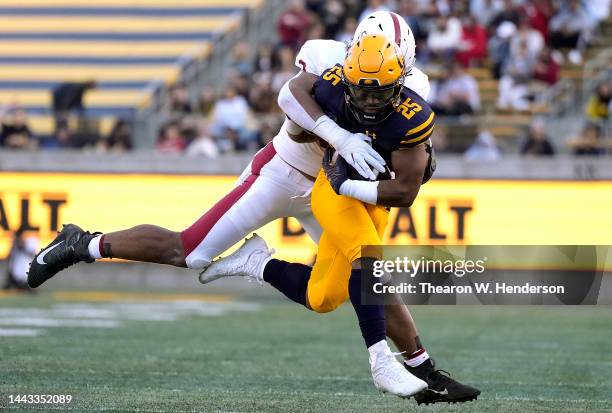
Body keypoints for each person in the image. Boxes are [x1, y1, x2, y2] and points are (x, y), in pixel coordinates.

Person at [27, 12, 477, 404]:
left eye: (381, 91)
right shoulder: (326, 60)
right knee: (190, 251)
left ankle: (421, 369)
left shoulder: (413, 96)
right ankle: (83, 244)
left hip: (334, 189)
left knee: (365, 273)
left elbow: (410, 164)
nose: (371, 97)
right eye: (363, 87)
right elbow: (290, 103)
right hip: (281, 173)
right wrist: (339, 137)